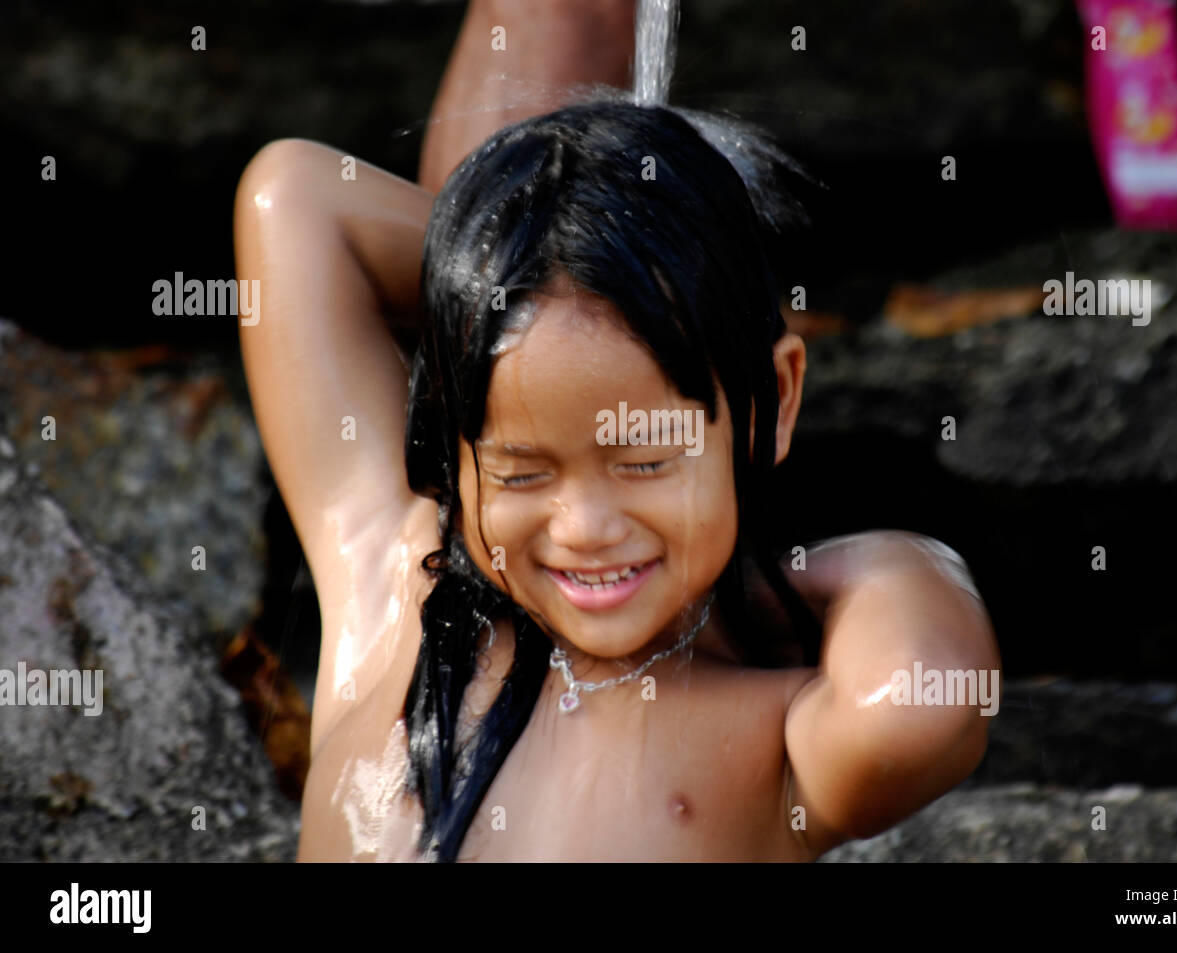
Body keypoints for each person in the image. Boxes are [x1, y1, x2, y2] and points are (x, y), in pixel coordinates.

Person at [233, 0, 999, 862]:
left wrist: (814, 573)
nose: (585, 527)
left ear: (777, 399)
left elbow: (921, 704)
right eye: (521, 473)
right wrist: (512, 258)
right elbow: (293, 199)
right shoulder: (391, 590)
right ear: (456, 445)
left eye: (642, 460)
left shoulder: (763, 743)